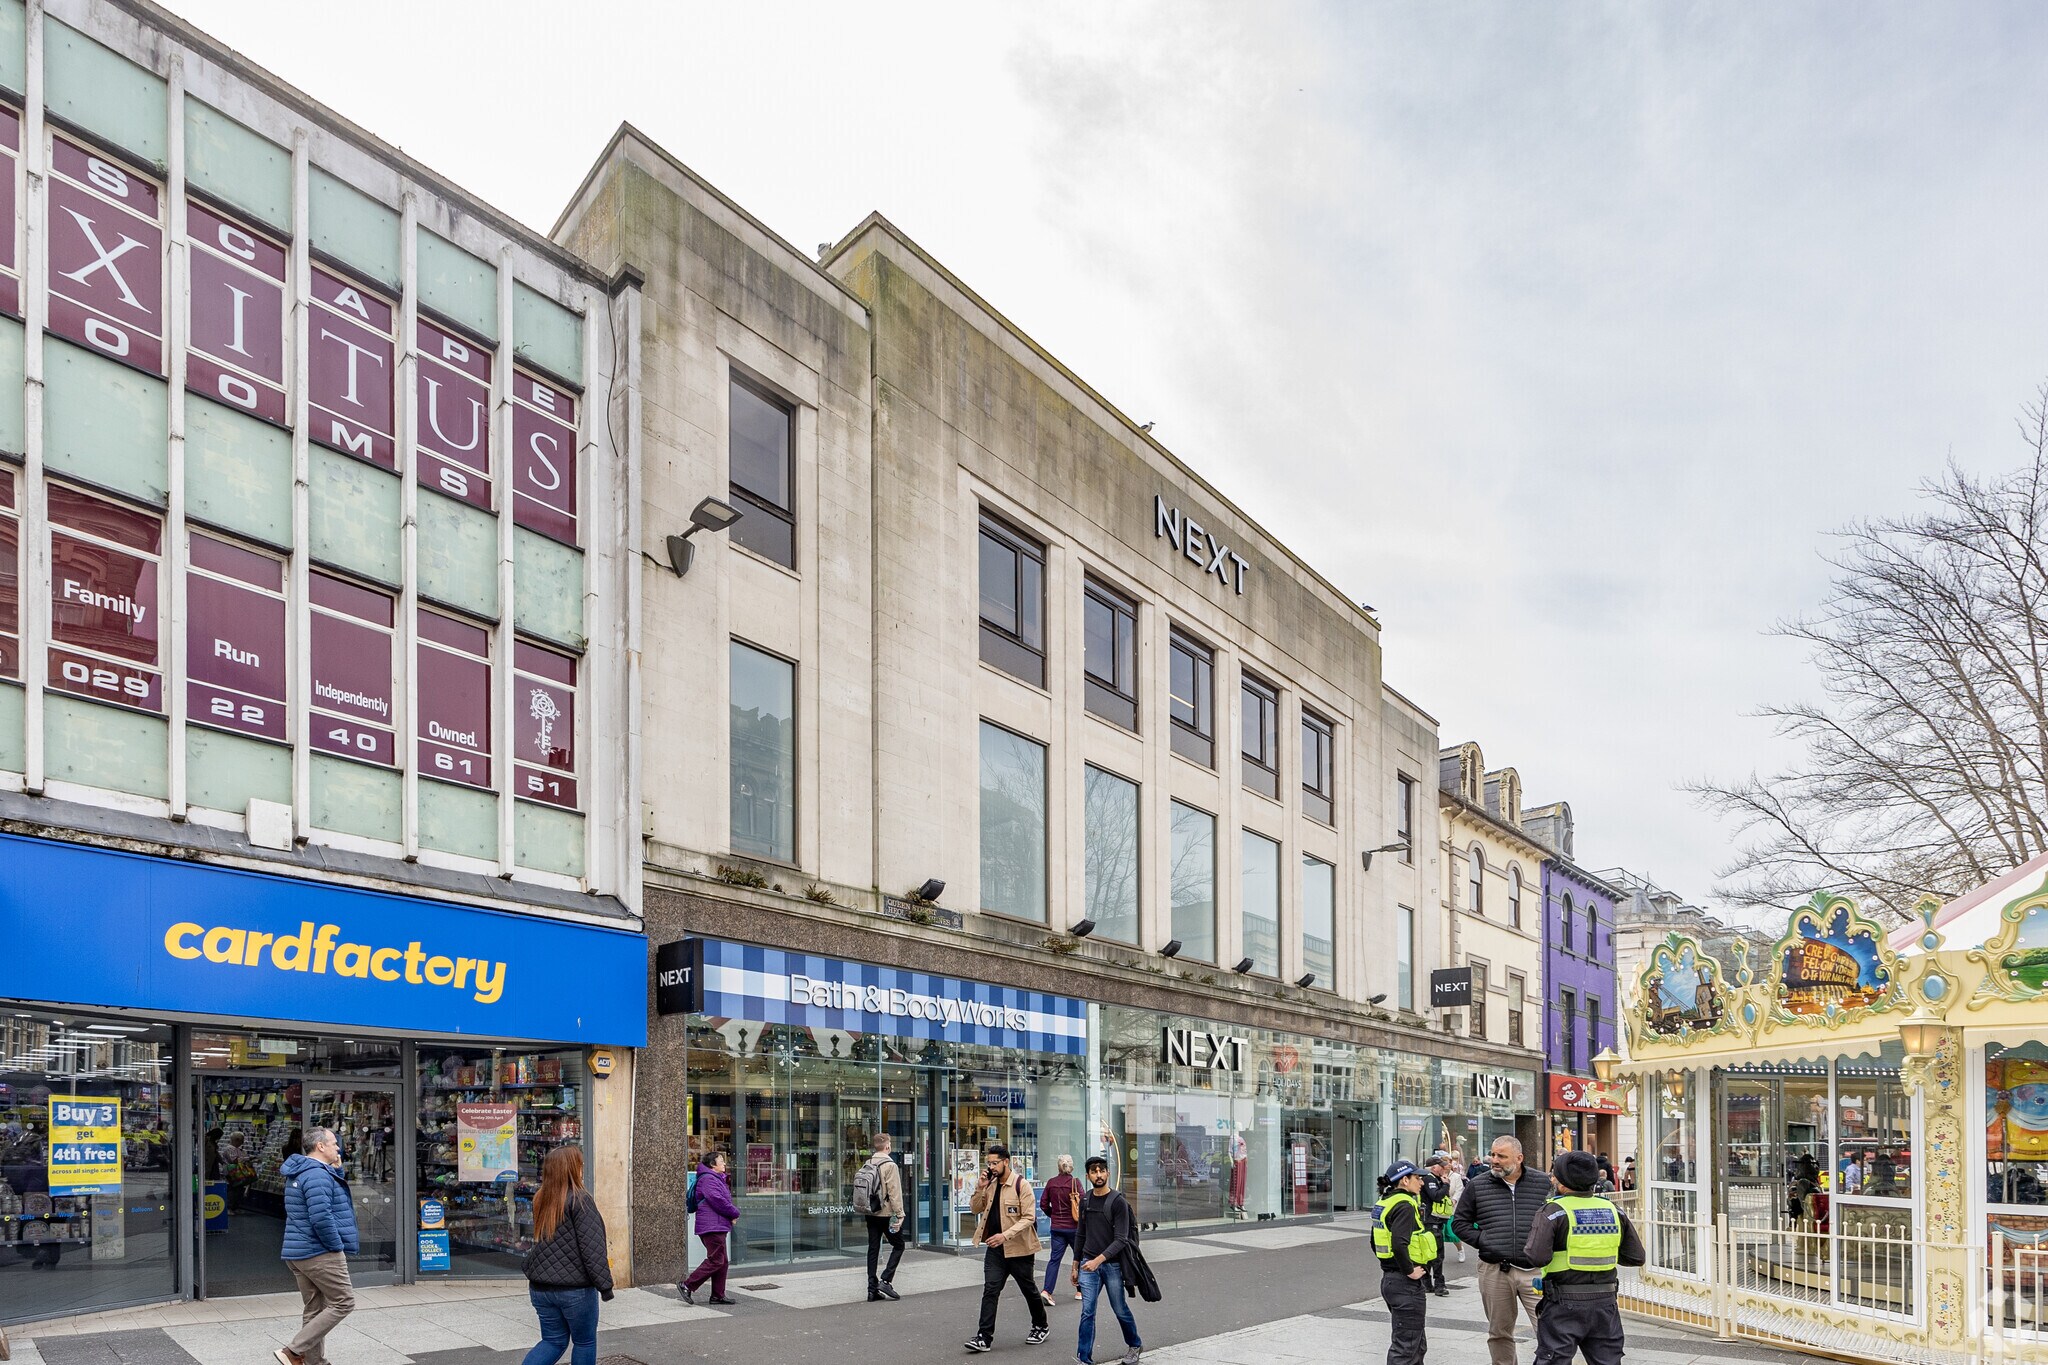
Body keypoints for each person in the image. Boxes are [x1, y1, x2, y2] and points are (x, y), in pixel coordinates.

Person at [1521, 1150, 1645, 1365]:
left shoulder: (1552, 1212)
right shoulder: (1613, 1210)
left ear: (1562, 1182)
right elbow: (1636, 1257)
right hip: (1605, 1304)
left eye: (1554, 1175)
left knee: (1554, 1360)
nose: (1552, 1178)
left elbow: (1536, 1257)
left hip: (1563, 1304)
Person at [1450, 1136, 1553, 1365]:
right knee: (1499, 1332)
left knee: (1549, 1331)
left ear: (1519, 1158)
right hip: (1495, 1270)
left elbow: (1557, 1218)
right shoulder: (1478, 1185)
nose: (1494, 1160)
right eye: (1493, 1155)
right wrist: (1485, 1240)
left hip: (1536, 1272)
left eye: (1501, 1156)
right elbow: (1459, 1223)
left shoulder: (1542, 1183)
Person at [520, 1145, 615, 1365]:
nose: (582, 1169)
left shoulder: (541, 1198)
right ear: (572, 1168)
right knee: (584, 1342)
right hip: (575, 1289)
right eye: (579, 1164)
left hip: (541, 1286)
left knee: (553, 1341)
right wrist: (605, 1287)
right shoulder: (580, 1200)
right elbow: (592, 1248)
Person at [274, 1127, 359, 1365]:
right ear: (320, 1146)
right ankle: (293, 1351)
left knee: (314, 1308)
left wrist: (337, 1170)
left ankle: (314, 1362)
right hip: (319, 1252)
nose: (338, 1148)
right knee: (344, 1302)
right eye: (333, 1143)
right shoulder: (317, 1175)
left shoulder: (303, 1171)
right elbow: (321, 1217)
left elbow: (326, 1197)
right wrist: (336, 1246)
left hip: (298, 1251)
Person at [965, 1142, 1049, 1352]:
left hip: (1019, 1249)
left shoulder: (1022, 1185)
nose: (991, 1167)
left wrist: (1005, 1235)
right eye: (989, 1163)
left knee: (1028, 1289)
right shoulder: (991, 1184)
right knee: (990, 1290)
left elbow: (1029, 1218)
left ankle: (1040, 1326)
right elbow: (975, 1208)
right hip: (995, 1250)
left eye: (995, 1163)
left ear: (1006, 1162)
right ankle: (984, 1337)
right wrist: (980, 1187)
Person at [1073, 1154, 1143, 1365]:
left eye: (1101, 1170)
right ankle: (1084, 1357)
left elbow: (1121, 1239)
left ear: (1108, 1173)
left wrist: (1098, 1261)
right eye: (1094, 1171)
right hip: (1087, 1264)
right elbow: (1080, 1234)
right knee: (1087, 1312)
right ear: (1088, 1176)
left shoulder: (1118, 1202)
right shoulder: (1085, 1200)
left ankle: (1135, 1344)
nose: (1098, 1174)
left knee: (1119, 1307)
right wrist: (1075, 1264)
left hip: (1111, 1266)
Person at [1372, 1160, 1437, 1365]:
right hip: (1405, 1284)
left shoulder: (1385, 1202)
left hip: (1391, 1281)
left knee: (1416, 1345)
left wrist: (1392, 1266)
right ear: (1405, 1180)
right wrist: (1410, 1271)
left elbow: (1374, 1243)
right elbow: (1399, 1243)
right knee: (1406, 1349)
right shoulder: (1405, 1205)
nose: (1422, 1182)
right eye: (1418, 1178)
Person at [678, 1149, 739, 1306]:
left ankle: (718, 1295)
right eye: (721, 1161)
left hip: (716, 1225)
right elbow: (717, 1199)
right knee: (716, 1260)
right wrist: (734, 1212)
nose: (724, 1163)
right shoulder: (708, 1179)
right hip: (712, 1226)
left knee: (722, 1261)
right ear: (713, 1165)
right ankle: (687, 1285)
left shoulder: (714, 1178)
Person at [857, 1132, 907, 1302]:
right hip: (885, 1213)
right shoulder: (890, 1165)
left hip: (870, 1212)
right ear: (887, 1146)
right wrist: (900, 1214)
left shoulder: (868, 1162)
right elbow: (894, 1192)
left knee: (873, 1248)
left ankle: (872, 1289)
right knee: (899, 1245)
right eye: (890, 1143)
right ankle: (885, 1280)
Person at [1039, 1154, 1080, 1306]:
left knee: (1054, 1260)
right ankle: (1080, 1290)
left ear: (1058, 1166)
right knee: (1079, 1258)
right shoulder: (1075, 1183)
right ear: (1071, 1166)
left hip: (1056, 1228)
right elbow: (1082, 1204)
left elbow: (1043, 1204)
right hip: (1074, 1228)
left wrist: (1053, 1215)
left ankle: (1047, 1291)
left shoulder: (1051, 1183)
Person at [1419, 1154, 1456, 1296]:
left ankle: (1427, 1283)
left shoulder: (1434, 1178)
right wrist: (1446, 1184)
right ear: (1434, 1167)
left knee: (1430, 1254)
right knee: (1437, 1255)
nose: (1444, 1168)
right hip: (1431, 1221)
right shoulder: (1429, 1179)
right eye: (1441, 1166)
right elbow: (1436, 1196)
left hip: (1434, 1220)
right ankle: (1439, 1285)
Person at [1441, 1154, 1468, 1265]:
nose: (1446, 1165)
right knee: (1439, 1234)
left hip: (1452, 1208)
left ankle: (1460, 1250)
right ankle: (1438, 1255)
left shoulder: (1456, 1176)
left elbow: (1459, 1190)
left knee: (1452, 1233)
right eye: (1443, 1163)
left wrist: (1455, 1200)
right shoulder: (1438, 1176)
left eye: (1447, 1162)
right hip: (1439, 1209)